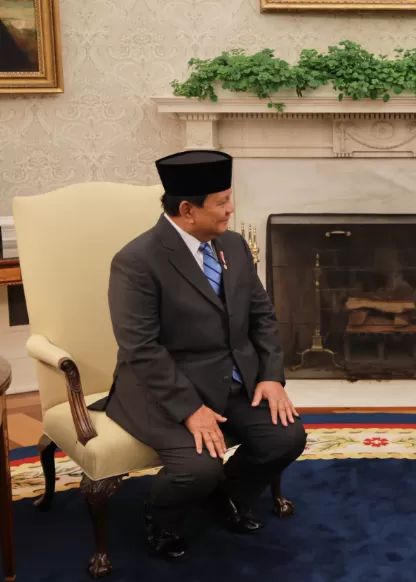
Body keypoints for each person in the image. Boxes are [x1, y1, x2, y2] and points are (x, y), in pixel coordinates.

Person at [93, 150, 306, 560]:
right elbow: (141, 347)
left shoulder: (234, 245)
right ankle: (161, 517)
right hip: (162, 389)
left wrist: (270, 377)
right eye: (222, 202)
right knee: (198, 467)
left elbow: (261, 315)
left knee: (286, 437)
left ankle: (222, 497)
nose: (232, 209)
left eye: (231, 197)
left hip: (233, 380)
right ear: (187, 210)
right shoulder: (136, 262)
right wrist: (190, 408)